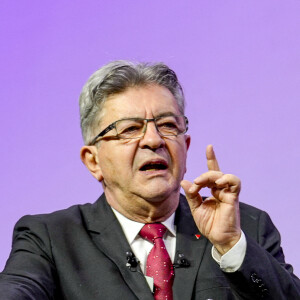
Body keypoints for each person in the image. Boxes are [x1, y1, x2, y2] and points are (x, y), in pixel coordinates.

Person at [0, 60, 299, 300]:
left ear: (186, 146)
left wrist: (231, 245)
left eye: (168, 125)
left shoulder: (246, 227)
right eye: (130, 129)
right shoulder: (49, 239)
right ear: (93, 161)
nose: (154, 140)